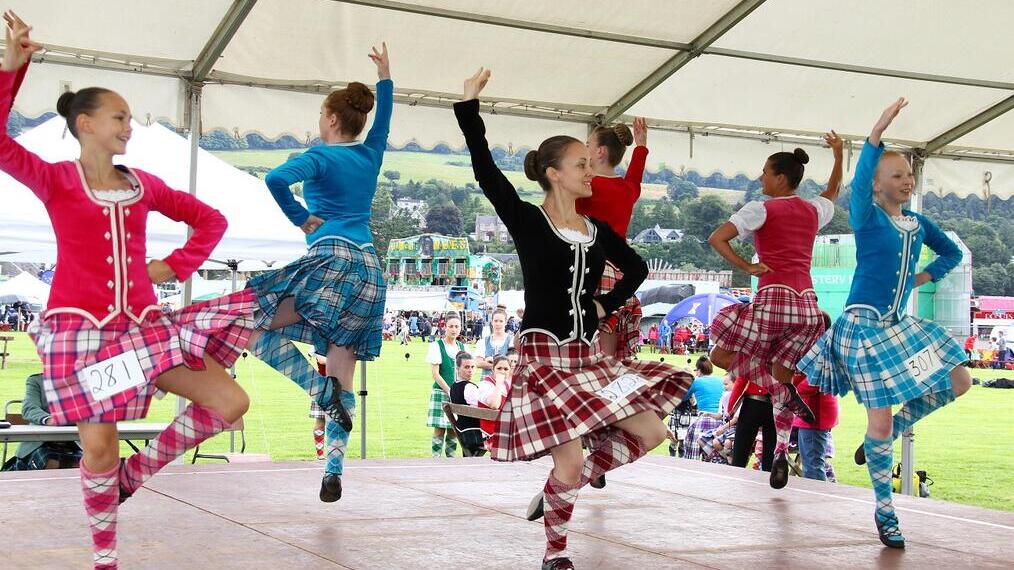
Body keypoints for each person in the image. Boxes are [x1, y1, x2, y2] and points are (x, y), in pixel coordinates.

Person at [0, 14, 258, 569]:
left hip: (143, 330)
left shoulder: (143, 185)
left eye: (130, 119)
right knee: (97, 449)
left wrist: (172, 265)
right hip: (80, 335)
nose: (129, 126)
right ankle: (105, 560)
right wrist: (11, 71)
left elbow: (210, 220)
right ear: (86, 123)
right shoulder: (56, 180)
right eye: (119, 116)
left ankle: (136, 473)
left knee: (230, 402)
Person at [455, 68, 693, 570]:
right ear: (553, 173)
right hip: (544, 360)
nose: (590, 172)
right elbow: (484, 171)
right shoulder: (528, 220)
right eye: (581, 165)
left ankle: (562, 490)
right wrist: (470, 108)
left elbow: (637, 268)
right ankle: (555, 553)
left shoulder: (596, 228)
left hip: (588, 357)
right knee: (569, 459)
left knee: (652, 433)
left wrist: (605, 306)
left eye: (590, 163)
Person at [799, 98, 970, 549]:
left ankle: (891, 433)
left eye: (910, 174)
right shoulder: (867, 217)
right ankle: (885, 510)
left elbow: (951, 253)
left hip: (898, 324)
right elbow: (855, 188)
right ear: (875, 185)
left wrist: (926, 275)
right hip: (864, 329)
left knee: (960, 379)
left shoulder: (917, 223)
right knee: (877, 421)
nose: (908, 179)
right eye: (897, 174)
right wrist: (875, 133)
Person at [244, 42, 392, 503]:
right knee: (344, 376)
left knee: (247, 321)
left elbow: (273, 179)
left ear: (330, 119)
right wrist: (386, 77)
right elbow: (384, 119)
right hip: (369, 270)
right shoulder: (370, 156)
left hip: (332, 259)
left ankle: (315, 387)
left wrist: (300, 216)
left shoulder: (320, 156)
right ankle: (333, 469)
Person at [708, 130, 845, 489]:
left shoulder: (760, 208)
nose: (760, 178)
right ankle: (781, 452)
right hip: (808, 308)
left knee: (720, 352)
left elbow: (717, 238)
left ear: (780, 178)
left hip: (774, 299)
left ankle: (781, 391)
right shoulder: (814, 209)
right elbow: (832, 192)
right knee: (783, 371)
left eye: (765, 172)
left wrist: (746, 265)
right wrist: (839, 155)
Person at [576, 118, 649, 359]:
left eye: (587, 144)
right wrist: (640, 146)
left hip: (591, 267)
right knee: (609, 336)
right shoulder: (628, 190)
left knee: (584, 337)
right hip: (619, 270)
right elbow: (635, 175)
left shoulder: (585, 186)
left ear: (599, 151)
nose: (583, 150)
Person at [1, 373, 82, 471]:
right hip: (38, 444)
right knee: (50, 461)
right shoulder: (36, 381)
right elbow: (30, 408)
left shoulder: (81, 382)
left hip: (73, 444)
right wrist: (48, 419)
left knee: (87, 463)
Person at [426, 313, 464, 458]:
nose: (454, 330)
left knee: (454, 428)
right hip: (441, 391)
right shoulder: (437, 346)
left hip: (457, 392)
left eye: (456, 326)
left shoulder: (462, 347)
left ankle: (451, 459)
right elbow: (435, 374)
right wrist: (449, 390)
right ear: (445, 327)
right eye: (451, 326)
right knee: (439, 428)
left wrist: (459, 391)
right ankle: (436, 459)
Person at [680, 358, 726, 461]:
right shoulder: (720, 380)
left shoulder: (697, 381)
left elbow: (684, 397)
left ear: (699, 370)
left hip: (703, 420)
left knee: (691, 446)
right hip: (720, 421)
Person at [448, 351, 485, 456]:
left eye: (473, 367)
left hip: (463, 431)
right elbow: (484, 407)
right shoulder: (469, 387)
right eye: (466, 367)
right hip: (475, 433)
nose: (470, 370)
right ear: (458, 368)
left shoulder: (453, 387)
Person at [477, 355, 512, 439]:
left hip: (504, 429)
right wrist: (499, 382)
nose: (502, 371)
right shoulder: (485, 385)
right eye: (499, 368)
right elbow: (495, 405)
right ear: (493, 369)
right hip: (490, 433)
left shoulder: (507, 384)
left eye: (506, 369)